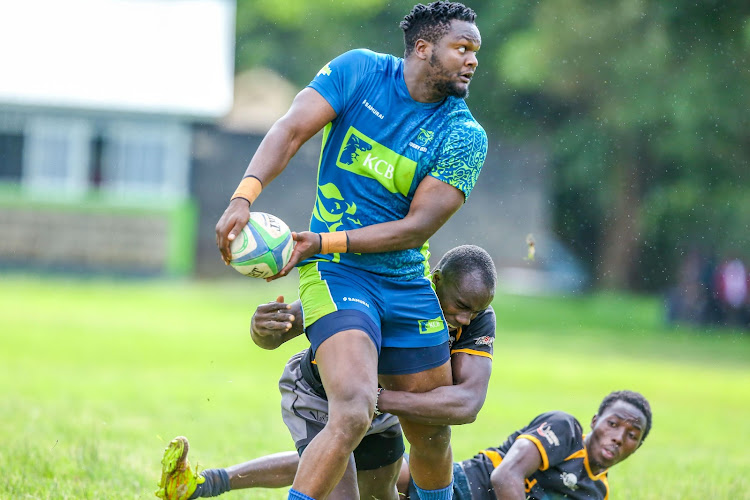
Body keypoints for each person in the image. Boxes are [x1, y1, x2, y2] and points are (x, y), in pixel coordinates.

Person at [213, 2, 486, 499]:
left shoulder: (464, 135)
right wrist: (242, 197)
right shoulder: (358, 71)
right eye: (461, 48)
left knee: (432, 434)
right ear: (423, 48)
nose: (471, 60)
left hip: (403, 280)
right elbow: (290, 129)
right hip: (336, 274)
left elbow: (414, 229)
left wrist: (317, 240)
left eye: (476, 52)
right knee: (355, 409)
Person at [156, 245, 497, 500]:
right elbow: (280, 332)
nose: (467, 319)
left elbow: (467, 404)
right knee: (337, 475)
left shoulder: (476, 317)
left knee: (380, 492)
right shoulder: (390, 291)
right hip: (319, 395)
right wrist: (261, 328)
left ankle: (205, 483)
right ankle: (209, 483)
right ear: (436, 280)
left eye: (476, 310)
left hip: (384, 407)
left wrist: (378, 400)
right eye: (462, 307)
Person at [157, 390, 651, 500]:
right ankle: (208, 483)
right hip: (449, 485)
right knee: (341, 462)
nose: (618, 438)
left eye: (632, 436)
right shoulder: (563, 429)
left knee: (344, 467)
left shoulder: (597, 492)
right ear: (595, 421)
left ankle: (206, 484)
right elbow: (504, 479)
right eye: (614, 425)